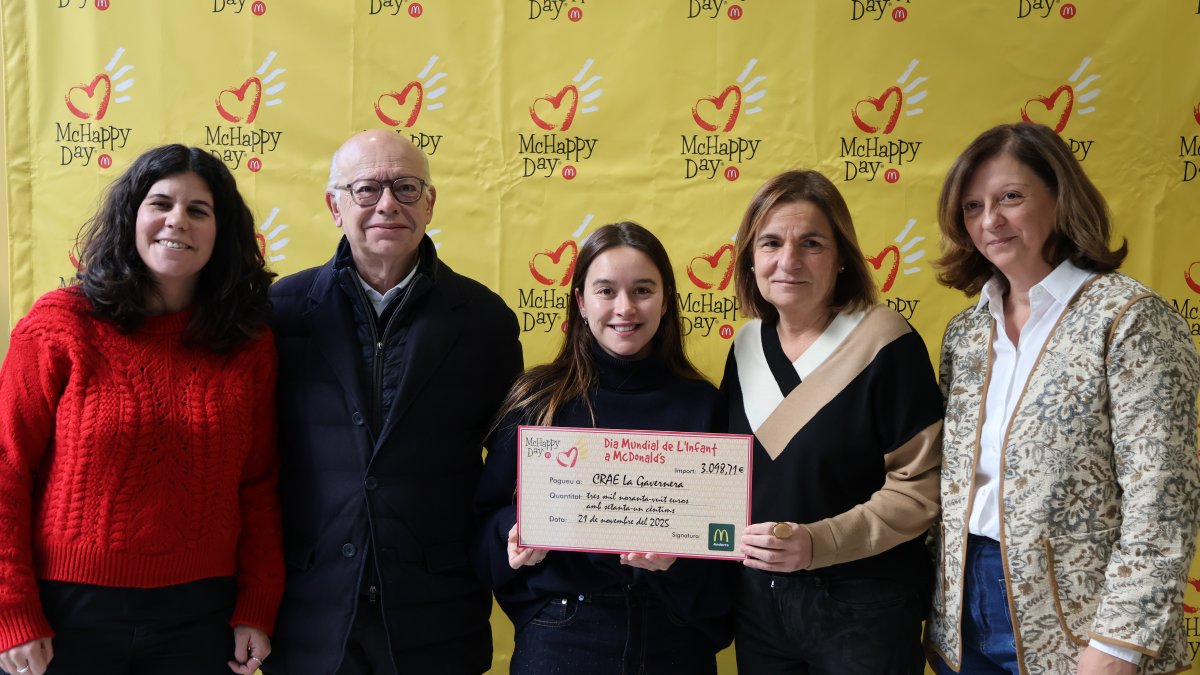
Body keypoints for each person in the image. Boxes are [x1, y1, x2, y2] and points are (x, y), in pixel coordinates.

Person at [924, 122, 1200, 675]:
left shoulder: (1129, 319)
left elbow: (1164, 498)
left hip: (1085, 625)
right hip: (963, 611)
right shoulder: (967, 332)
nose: (990, 221)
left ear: (1060, 198)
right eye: (973, 206)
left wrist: (1120, 643)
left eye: (1010, 197)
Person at [0, 145, 282, 675]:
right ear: (132, 215)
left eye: (199, 210)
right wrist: (10, 610)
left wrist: (257, 605)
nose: (178, 220)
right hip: (65, 612)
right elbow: (5, 469)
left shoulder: (247, 343)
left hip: (201, 616)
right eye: (161, 203)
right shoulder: (60, 326)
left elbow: (260, 484)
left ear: (221, 232)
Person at [267, 131, 523, 675]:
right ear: (335, 206)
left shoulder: (485, 321)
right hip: (309, 613)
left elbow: (510, 473)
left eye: (405, 188)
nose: (387, 204)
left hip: (437, 616)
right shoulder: (278, 313)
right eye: (366, 189)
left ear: (430, 203)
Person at [473, 221, 734, 675]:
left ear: (667, 300)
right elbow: (486, 517)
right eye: (606, 290)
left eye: (643, 290)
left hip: (674, 633)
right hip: (562, 630)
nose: (625, 308)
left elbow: (728, 543)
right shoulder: (538, 401)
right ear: (580, 301)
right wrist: (512, 537)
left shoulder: (705, 406)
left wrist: (680, 562)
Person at [721, 169, 943, 674]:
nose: (788, 261)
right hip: (761, 606)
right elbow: (725, 479)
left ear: (841, 256)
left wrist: (819, 542)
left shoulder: (885, 340)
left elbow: (920, 488)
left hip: (864, 605)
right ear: (750, 258)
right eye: (771, 243)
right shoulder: (746, 347)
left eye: (812, 243)